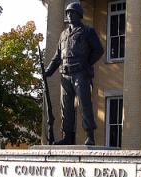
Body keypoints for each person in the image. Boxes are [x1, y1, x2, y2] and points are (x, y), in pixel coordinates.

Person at [45, 2, 104, 145]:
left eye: (72, 12)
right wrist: (48, 71)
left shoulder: (87, 31)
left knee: (84, 105)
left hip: (80, 73)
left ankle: (90, 135)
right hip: (65, 74)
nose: (69, 15)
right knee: (66, 106)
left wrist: (87, 63)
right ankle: (67, 137)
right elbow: (57, 56)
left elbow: (99, 50)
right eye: (68, 13)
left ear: (79, 15)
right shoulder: (63, 34)